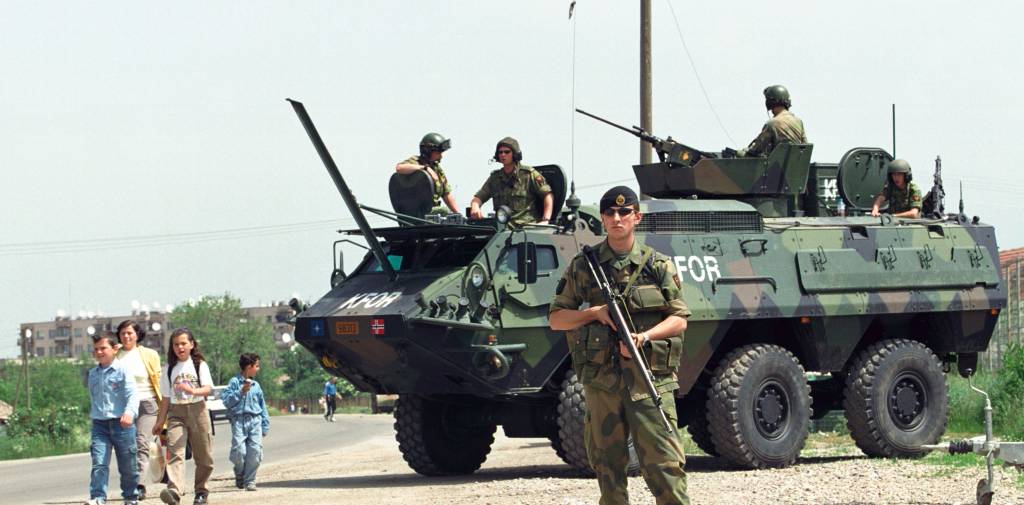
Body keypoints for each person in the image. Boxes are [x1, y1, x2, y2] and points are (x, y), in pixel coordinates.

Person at [549, 186, 690, 505]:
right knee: (608, 470)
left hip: (649, 381)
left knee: (665, 467)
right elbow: (556, 319)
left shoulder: (658, 265)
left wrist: (644, 337)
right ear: (601, 218)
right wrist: (593, 313)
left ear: (637, 217)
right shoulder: (583, 267)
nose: (617, 218)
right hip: (603, 385)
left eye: (624, 212)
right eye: (610, 212)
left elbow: (679, 319)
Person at [152, 328, 214, 505]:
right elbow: (165, 398)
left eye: (183, 343)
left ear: (191, 344)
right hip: (176, 413)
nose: (180, 347)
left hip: (198, 410)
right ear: (172, 347)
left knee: (203, 456)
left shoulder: (199, 364)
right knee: (175, 452)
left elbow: (208, 388)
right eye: (176, 344)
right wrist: (160, 421)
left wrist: (192, 390)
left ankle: (201, 492)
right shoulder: (169, 369)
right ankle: (174, 492)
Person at [86, 331, 140, 505]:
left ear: (114, 348)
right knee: (99, 463)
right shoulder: (93, 373)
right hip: (100, 425)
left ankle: (131, 496)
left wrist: (129, 413)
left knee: (128, 465)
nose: (99, 352)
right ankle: (98, 497)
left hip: (122, 424)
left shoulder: (123, 370)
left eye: (103, 348)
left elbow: (133, 394)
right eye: (96, 349)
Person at [115, 319, 163, 502]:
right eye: (123, 333)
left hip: (147, 403)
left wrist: (164, 409)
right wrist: (113, 349)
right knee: (128, 446)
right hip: (125, 405)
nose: (126, 336)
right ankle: (130, 482)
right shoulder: (116, 355)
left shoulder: (149, 354)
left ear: (137, 335)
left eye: (130, 333)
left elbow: (158, 379)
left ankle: (140, 485)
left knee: (142, 443)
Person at [468, 136, 553, 226]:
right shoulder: (495, 178)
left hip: (525, 228)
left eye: (507, 152)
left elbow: (547, 195)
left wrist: (546, 219)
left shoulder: (528, 175)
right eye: (500, 152)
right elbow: (479, 197)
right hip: (501, 229)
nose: (503, 155)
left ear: (515, 154)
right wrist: (475, 206)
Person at [220, 353, 270, 492]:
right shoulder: (234, 382)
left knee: (255, 452)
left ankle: (250, 481)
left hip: (255, 421)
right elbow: (226, 401)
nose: (258, 369)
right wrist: (241, 392)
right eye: (257, 366)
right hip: (239, 421)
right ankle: (239, 472)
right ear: (249, 367)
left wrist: (265, 424)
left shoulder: (256, 385)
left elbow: (262, 406)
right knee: (239, 452)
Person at [395, 132, 459, 214]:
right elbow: (399, 168)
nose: (441, 156)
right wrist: (425, 168)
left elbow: (446, 194)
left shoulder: (437, 169)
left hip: (432, 213)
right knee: (444, 211)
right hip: (417, 213)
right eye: (438, 153)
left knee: (453, 217)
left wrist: (458, 214)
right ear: (427, 151)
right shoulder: (416, 162)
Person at [736, 84, 807, 157]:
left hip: (776, 166)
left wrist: (742, 152)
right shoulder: (799, 122)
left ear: (770, 102)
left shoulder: (772, 124)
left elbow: (756, 149)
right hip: (796, 166)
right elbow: (805, 147)